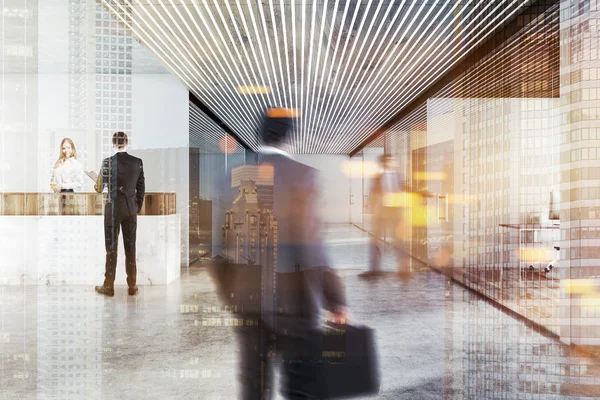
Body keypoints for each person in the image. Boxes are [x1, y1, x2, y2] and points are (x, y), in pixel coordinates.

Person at [234, 108, 347, 399]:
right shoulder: (303, 176)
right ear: (289, 137)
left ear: (259, 134)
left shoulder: (234, 178)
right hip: (294, 301)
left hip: (249, 301)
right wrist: (335, 299)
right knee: (300, 386)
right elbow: (312, 245)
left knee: (253, 384)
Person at [94, 132, 145, 297]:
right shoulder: (137, 163)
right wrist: (136, 207)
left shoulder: (108, 162)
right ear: (127, 142)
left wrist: (97, 181)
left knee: (111, 249)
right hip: (130, 210)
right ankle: (132, 285)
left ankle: (108, 286)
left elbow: (99, 188)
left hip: (113, 210)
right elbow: (141, 188)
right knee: (131, 248)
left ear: (113, 144)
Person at [360, 154, 410, 279]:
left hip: (396, 213)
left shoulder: (399, 177)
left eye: (390, 161)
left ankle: (403, 270)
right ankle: (374, 269)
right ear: (382, 164)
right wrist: (370, 209)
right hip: (380, 213)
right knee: (375, 240)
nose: (389, 163)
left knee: (399, 241)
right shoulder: (377, 178)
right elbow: (373, 194)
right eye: (386, 161)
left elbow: (405, 192)